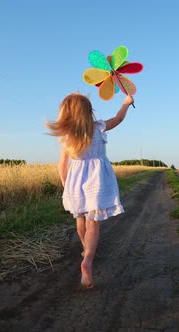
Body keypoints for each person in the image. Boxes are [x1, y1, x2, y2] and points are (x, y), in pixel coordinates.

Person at [46, 92, 134, 288]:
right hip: (97, 183)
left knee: (80, 220)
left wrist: (65, 184)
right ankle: (88, 261)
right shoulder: (98, 127)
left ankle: (85, 249)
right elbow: (118, 119)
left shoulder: (68, 137)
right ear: (89, 112)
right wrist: (126, 103)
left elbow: (61, 165)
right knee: (93, 225)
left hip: (76, 183)